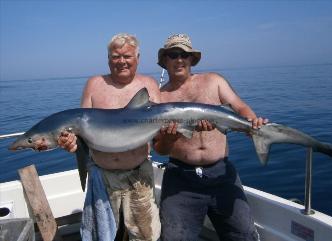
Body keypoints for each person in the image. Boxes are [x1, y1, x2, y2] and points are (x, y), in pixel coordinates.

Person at [153, 34, 267, 241]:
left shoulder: (213, 81)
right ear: (165, 60)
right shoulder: (159, 98)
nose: (179, 59)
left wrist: (252, 124)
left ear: (191, 59)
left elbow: (239, 107)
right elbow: (159, 149)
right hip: (180, 178)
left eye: (184, 55)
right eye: (173, 54)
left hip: (221, 174)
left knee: (244, 236)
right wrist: (170, 138)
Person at [59, 33, 161, 241]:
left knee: (145, 236)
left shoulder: (149, 84)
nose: (121, 61)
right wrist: (70, 143)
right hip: (103, 176)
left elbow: (159, 135)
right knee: (101, 235)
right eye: (115, 56)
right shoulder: (94, 84)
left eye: (127, 56)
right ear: (108, 59)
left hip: (138, 176)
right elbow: (80, 129)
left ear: (138, 58)